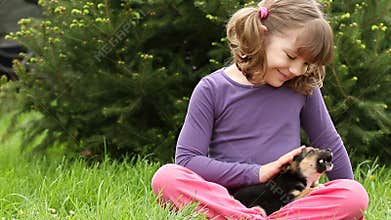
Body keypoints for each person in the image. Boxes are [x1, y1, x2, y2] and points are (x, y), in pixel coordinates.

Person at [151, 0, 369, 219]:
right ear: (262, 35)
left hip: (288, 201)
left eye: (306, 64)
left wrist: (341, 191)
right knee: (166, 178)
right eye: (291, 56)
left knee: (354, 195)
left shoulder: (302, 87)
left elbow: (328, 141)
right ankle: (243, 216)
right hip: (228, 200)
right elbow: (188, 159)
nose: (296, 69)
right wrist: (259, 172)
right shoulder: (212, 89)